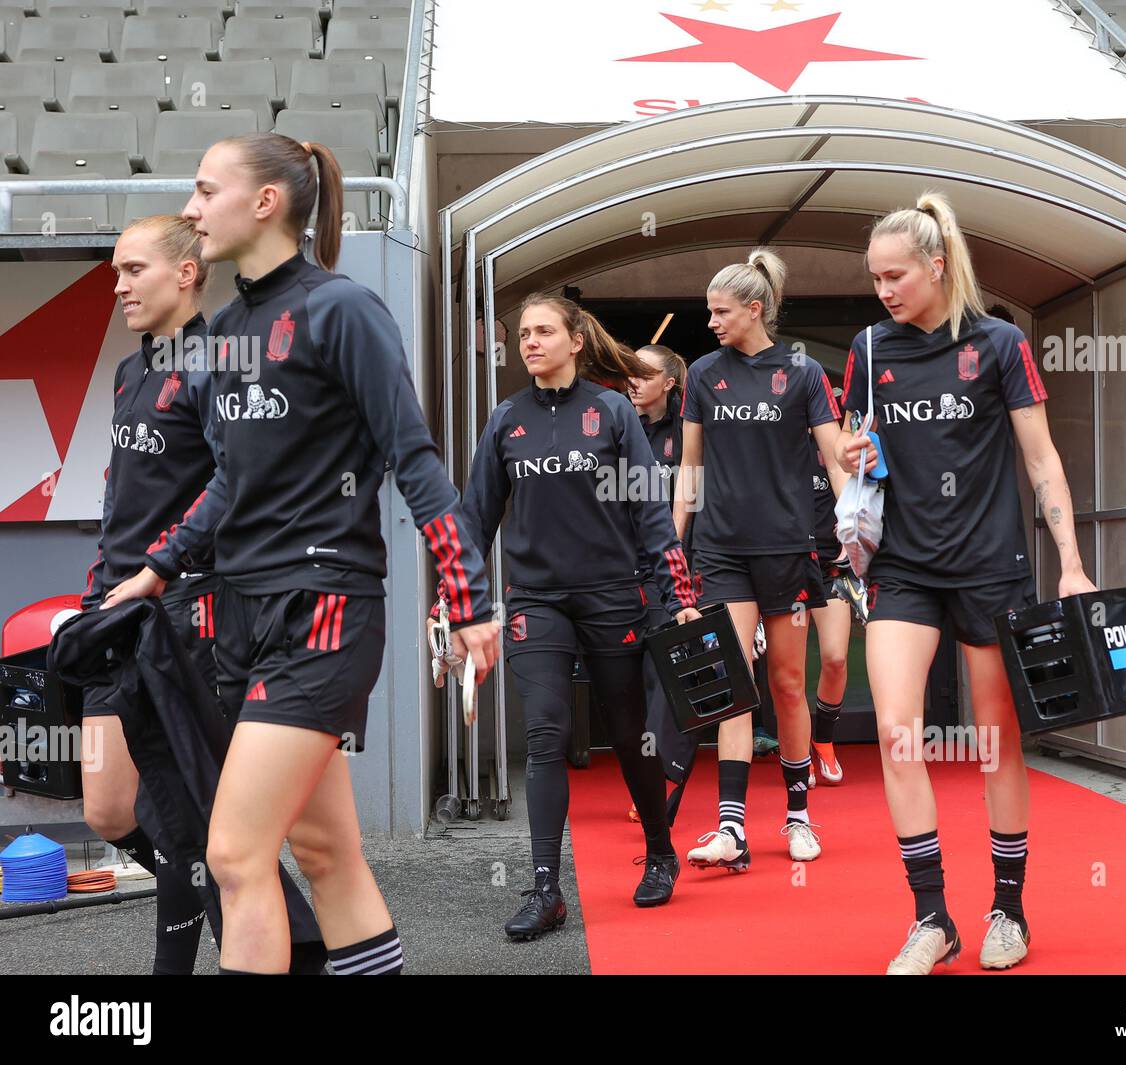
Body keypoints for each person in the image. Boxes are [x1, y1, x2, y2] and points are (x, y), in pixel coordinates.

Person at [104, 133, 500, 975]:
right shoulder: (223, 334)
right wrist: (156, 568)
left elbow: (414, 459)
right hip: (245, 616)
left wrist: (468, 603)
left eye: (205, 191)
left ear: (265, 202)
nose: (189, 209)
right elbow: (228, 485)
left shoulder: (341, 309)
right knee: (327, 856)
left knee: (237, 856)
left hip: (323, 611)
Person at [835, 191, 1096, 974]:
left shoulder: (1001, 343)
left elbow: (1042, 460)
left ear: (937, 265)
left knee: (996, 741)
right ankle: (932, 917)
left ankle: (1008, 910)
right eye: (876, 277)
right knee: (894, 730)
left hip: (991, 563)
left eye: (897, 275)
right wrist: (852, 456)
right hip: (905, 568)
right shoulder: (869, 349)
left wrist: (1074, 564)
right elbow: (852, 445)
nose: (884, 289)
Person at [460, 297, 700, 941]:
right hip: (536, 601)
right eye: (525, 335)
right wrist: (455, 600)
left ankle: (659, 850)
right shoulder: (506, 419)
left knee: (627, 733)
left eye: (543, 332)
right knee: (545, 733)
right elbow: (475, 518)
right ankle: (545, 888)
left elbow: (652, 512)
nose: (531, 342)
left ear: (573, 340)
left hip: (613, 597)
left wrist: (677, 596)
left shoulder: (613, 411)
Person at [673, 248, 844, 870]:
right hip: (721, 550)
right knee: (732, 683)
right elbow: (688, 466)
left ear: (754, 308)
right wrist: (674, 540)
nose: (712, 321)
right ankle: (731, 829)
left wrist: (856, 528)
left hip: (790, 550)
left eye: (721, 311)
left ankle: (798, 817)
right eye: (708, 311)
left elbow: (833, 457)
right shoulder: (702, 374)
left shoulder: (802, 373)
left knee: (789, 685)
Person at [79, 215, 216, 975]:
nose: (120, 285)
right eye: (116, 272)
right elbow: (123, 499)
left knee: (180, 815)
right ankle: (227, 887)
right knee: (106, 808)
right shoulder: (132, 371)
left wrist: (170, 570)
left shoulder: (215, 367)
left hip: (178, 612)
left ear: (186, 273)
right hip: (112, 608)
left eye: (134, 270)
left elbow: (232, 493)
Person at [626, 343, 696, 825]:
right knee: (625, 677)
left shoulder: (689, 430)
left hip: (671, 569)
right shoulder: (613, 423)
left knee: (668, 673)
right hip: (617, 569)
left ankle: (661, 779)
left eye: (643, 373)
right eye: (628, 370)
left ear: (668, 383)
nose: (632, 379)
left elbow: (693, 495)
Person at [805, 431, 854, 787]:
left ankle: (823, 739)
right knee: (786, 671)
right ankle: (795, 752)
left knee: (835, 658)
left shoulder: (839, 445)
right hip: (786, 567)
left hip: (829, 567)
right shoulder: (774, 437)